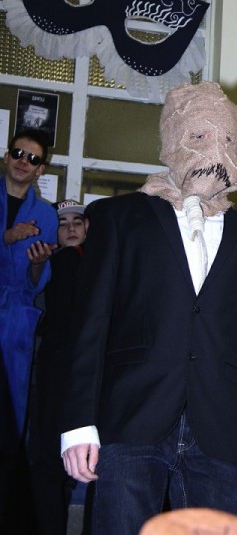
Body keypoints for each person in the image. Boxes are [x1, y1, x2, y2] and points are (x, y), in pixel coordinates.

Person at [59, 82, 237, 535]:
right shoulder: (119, 219)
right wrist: (78, 423)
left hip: (220, 430)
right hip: (132, 418)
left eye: (226, 139)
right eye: (199, 136)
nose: (214, 150)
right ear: (173, 136)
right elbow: (91, 325)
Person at [0, 128, 58, 532]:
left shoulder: (47, 216)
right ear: (6, 157)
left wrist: (37, 263)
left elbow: (38, 283)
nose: (24, 161)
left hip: (17, 326)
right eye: (18, 153)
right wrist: (5, 238)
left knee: (8, 427)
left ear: (41, 170)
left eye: (33, 158)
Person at [30, 199, 89, 535]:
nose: (70, 228)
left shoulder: (93, 263)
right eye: (63, 223)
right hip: (54, 372)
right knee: (51, 462)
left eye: (77, 222)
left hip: (76, 373)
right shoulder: (51, 262)